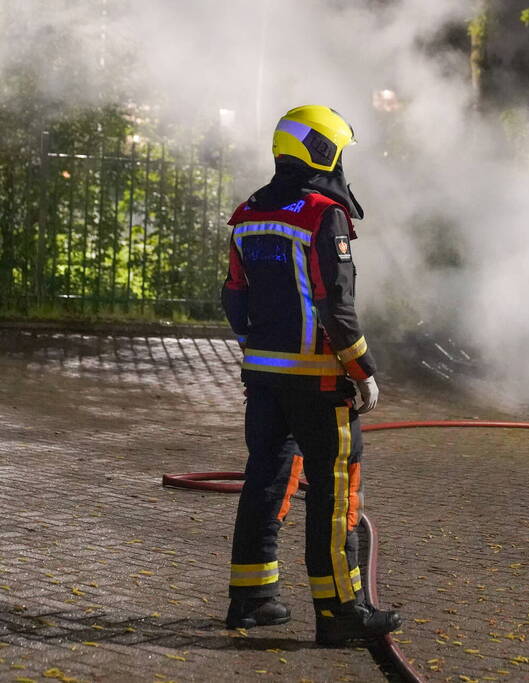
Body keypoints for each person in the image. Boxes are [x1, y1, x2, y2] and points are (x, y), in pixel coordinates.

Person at [220, 104, 401, 645]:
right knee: (334, 490)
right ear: (322, 151)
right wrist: (363, 370)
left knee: (266, 480)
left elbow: (233, 298)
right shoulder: (324, 214)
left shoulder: (248, 212)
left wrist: (260, 350)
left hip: (264, 379)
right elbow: (335, 305)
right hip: (321, 381)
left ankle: (251, 598)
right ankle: (339, 612)